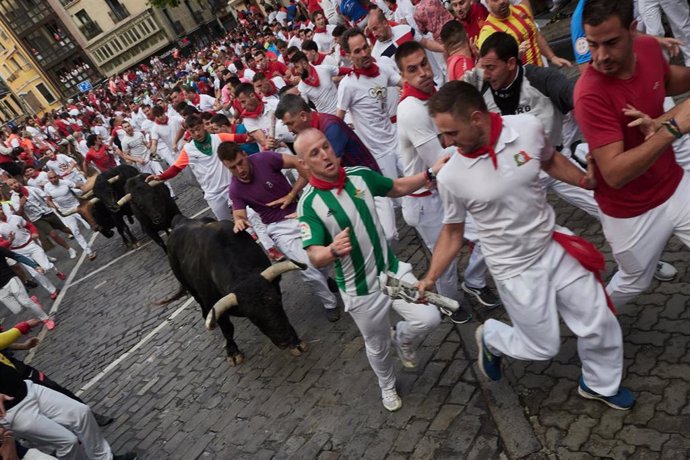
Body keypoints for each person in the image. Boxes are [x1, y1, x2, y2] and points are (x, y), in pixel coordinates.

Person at [420, 81, 634, 410]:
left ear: (477, 118)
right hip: (513, 269)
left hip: (552, 245)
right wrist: (431, 277)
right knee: (543, 347)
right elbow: (452, 232)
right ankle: (492, 337)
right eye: (441, 136)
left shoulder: (527, 127)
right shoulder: (452, 177)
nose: (446, 143)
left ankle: (599, 382)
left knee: (598, 316)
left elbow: (549, 160)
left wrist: (583, 180)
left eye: (451, 133)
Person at [295, 128, 446, 412]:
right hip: (360, 291)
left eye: (325, 146)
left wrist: (430, 174)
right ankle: (387, 385)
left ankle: (402, 337)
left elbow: (397, 187)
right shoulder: (309, 204)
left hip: (393, 272)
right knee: (376, 345)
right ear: (303, 164)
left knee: (429, 318)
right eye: (314, 153)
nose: (325, 155)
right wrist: (330, 251)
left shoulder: (359, 175)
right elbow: (313, 256)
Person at [574, 0, 690, 309]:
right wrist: (673, 127)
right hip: (630, 212)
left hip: (675, 185)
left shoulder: (649, 47)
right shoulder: (589, 93)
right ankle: (592, 324)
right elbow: (614, 173)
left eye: (611, 43)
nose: (600, 57)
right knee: (633, 281)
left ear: (632, 30)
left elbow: (664, 81)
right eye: (593, 44)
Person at [395, 41, 497, 320]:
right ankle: (449, 303)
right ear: (403, 76)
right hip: (426, 200)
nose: (423, 73)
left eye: (424, 64)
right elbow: (441, 162)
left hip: (444, 190)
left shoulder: (433, 96)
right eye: (413, 69)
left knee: (490, 234)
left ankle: (474, 283)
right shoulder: (412, 109)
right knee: (447, 260)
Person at [219, 143, 341, 322]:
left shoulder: (265, 158)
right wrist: (239, 221)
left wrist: (293, 194)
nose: (240, 170)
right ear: (225, 166)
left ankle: (324, 277)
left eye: (240, 163)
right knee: (306, 267)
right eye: (233, 168)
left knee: (324, 256)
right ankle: (330, 303)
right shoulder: (235, 189)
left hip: (302, 213)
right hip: (278, 228)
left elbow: (299, 163)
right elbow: (238, 213)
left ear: (245, 154)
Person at [0, 321, 136, 460]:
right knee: (68, 442)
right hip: (11, 411)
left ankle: (105, 458)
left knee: (82, 413)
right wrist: (23, 326)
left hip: (27, 388)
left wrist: (22, 342)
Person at [146, 115, 248, 221]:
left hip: (231, 187)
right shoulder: (188, 149)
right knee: (225, 223)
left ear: (203, 126)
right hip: (212, 193)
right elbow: (176, 168)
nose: (197, 134)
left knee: (244, 216)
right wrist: (160, 177)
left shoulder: (219, 137)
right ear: (188, 132)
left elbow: (241, 138)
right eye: (192, 131)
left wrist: (253, 136)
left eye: (198, 129)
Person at [276, 94, 381, 172]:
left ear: (303, 116)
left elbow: (330, 169)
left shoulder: (331, 127)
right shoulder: (314, 131)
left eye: (291, 123)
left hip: (368, 184)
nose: (289, 130)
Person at [477, 0, 571, 68]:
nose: (501, 1)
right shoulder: (488, 32)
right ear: (486, 2)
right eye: (495, 0)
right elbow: (493, 67)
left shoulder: (521, 10)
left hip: (541, 72)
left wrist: (552, 57)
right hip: (521, 85)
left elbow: (536, 35)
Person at [6, 178, 77, 260]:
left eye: (15, 182)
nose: (14, 185)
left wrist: (50, 204)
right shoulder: (14, 199)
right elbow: (20, 214)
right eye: (11, 185)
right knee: (53, 234)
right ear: (10, 188)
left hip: (47, 212)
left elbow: (45, 196)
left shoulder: (31, 189)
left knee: (64, 229)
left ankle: (78, 236)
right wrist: (21, 205)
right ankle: (70, 249)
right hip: (37, 218)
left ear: (18, 182)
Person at [0, 208, 62, 300]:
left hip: (31, 244)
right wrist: (9, 241)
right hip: (18, 251)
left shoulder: (15, 217)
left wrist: (34, 232)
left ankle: (56, 271)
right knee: (35, 274)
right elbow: (1, 245)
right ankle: (53, 290)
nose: (0, 212)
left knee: (46, 266)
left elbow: (29, 225)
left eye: (0, 209)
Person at [43, 171, 97, 261]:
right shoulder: (47, 187)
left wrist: (84, 193)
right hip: (66, 212)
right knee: (75, 232)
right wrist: (54, 207)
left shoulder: (65, 182)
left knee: (89, 226)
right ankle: (89, 252)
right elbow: (48, 200)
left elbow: (79, 185)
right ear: (48, 179)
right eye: (51, 178)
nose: (53, 180)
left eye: (54, 177)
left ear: (58, 176)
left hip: (77, 207)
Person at [0, 247, 54, 329]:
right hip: (1, 290)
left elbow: (17, 256)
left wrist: (35, 266)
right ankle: (33, 300)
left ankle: (46, 319)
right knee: (18, 311)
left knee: (25, 302)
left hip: (11, 279)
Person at [291, 51, 344, 115]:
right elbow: (304, 106)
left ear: (304, 64)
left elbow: (345, 71)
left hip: (343, 110)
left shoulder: (323, 69)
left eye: (297, 67)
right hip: (327, 119)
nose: (296, 71)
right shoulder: (301, 87)